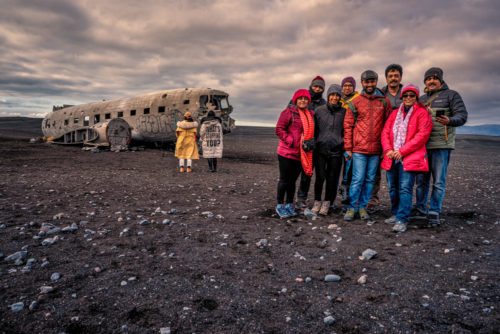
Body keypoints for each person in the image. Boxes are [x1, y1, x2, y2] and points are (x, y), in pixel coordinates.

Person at [413, 67, 468, 226]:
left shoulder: (452, 95)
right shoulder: (421, 99)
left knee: (438, 180)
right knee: (421, 180)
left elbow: (462, 116)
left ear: (441, 80)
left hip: (441, 145)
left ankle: (434, 210)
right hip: (422, 146)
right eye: (428, 79)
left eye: (434, 78)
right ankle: (420, 208)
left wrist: (450, 120)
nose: (431, 81)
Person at [381, 84, 433, 232]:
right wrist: (388, 149)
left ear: (416, 97)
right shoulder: (395, 113)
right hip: (392, 157)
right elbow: (385, 132)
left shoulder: (422, 113)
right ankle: (396, 213)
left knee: (405, 188)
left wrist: (402, 151)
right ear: (402, 97)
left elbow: (422, 135)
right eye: (405, 95)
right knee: (393, 188)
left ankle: (402, 219)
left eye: (412, 95)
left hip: (408, 157)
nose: (408, 98)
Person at [343, 70, 392, 221]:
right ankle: (352, 207)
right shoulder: (355, 102)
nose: (369, 84)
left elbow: (388, 126)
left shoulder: (383, 101)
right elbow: (348, 126)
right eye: (366, 82)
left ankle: (363, 207)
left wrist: (385, 148)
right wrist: (348, 148)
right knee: (357, 179)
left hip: (376, 150)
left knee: (370, 179)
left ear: (376, 81)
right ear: (362, 83)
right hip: (359, 150)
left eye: (372, 81)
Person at [367, 64, 405, 213]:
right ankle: (372, 200)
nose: (393, 78)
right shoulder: (380, 94)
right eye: (390, 76)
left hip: (402, 141)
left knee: (400, 175)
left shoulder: (407, 94)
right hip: (381, 137)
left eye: (396, 75)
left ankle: (399, 206)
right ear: (386, 78)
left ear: (400, 77)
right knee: (374, 172)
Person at [275, 89, 315, 218]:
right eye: (300, 98)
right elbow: (279, 129)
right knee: (284, 180)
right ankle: (280, 205)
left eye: (305, 99)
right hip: (286, 152)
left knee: (292, 181)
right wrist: (291, 141)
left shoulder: (310, 115)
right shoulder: (288, 113)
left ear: (308, 101)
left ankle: (290, 204)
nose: (303, 100)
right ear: (295, 100)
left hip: (301, 154)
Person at [292, 76, 326, 210]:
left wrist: (315, 141)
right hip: (297, 144)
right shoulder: (301, 99)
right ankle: (288, 198)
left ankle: (301, 198)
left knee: (307, 173)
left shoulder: (324, 103)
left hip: (314, 145)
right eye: (315, 86)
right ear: (311, 85)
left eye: (320, 87)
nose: (317, 89)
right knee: (293, 173)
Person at [312, 84, 345, 215]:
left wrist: (343, 145)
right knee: (320, 177)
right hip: (320, 150)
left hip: (336, 151)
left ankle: (327, 202)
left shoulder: (344, 112)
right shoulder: (319, 111)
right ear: (328, 96)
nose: (335, 97)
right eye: (332, 95)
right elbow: (315, 130)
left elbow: (346, 131)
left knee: (332, 178)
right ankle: (317, 201)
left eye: (337, 95)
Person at [338, 76, 359, 206]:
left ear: (354, 87)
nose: (347, 88)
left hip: (351, 138)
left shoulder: (357, 100)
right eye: (345, 85)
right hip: (336, 138)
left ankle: (347, 193)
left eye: (350, 85)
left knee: (349, 168)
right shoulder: (336, 99)